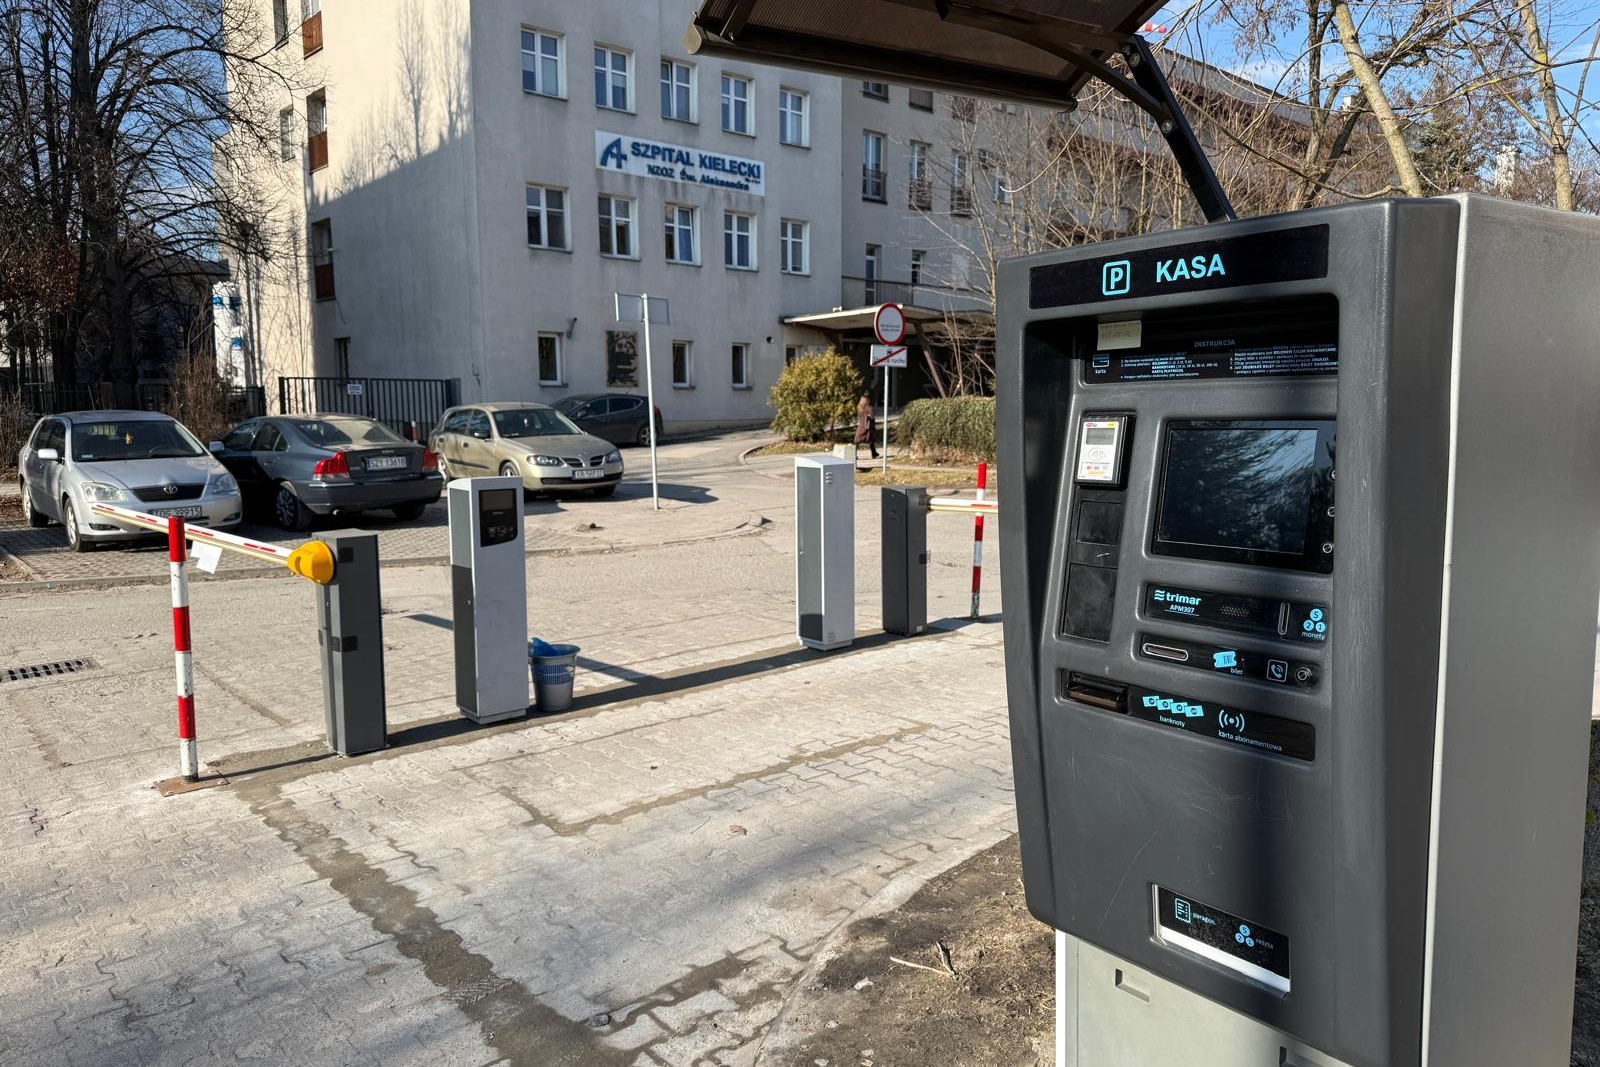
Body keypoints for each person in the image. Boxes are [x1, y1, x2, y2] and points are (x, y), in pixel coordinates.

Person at [854, 392, 878, 460]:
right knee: (870, 439)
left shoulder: (859, 408)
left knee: (857, 440)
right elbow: (872, 417)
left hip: (861, 426)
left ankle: (854, 454)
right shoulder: (869, 408)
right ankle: (874, 453)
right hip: (868, 427)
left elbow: (859, 417)